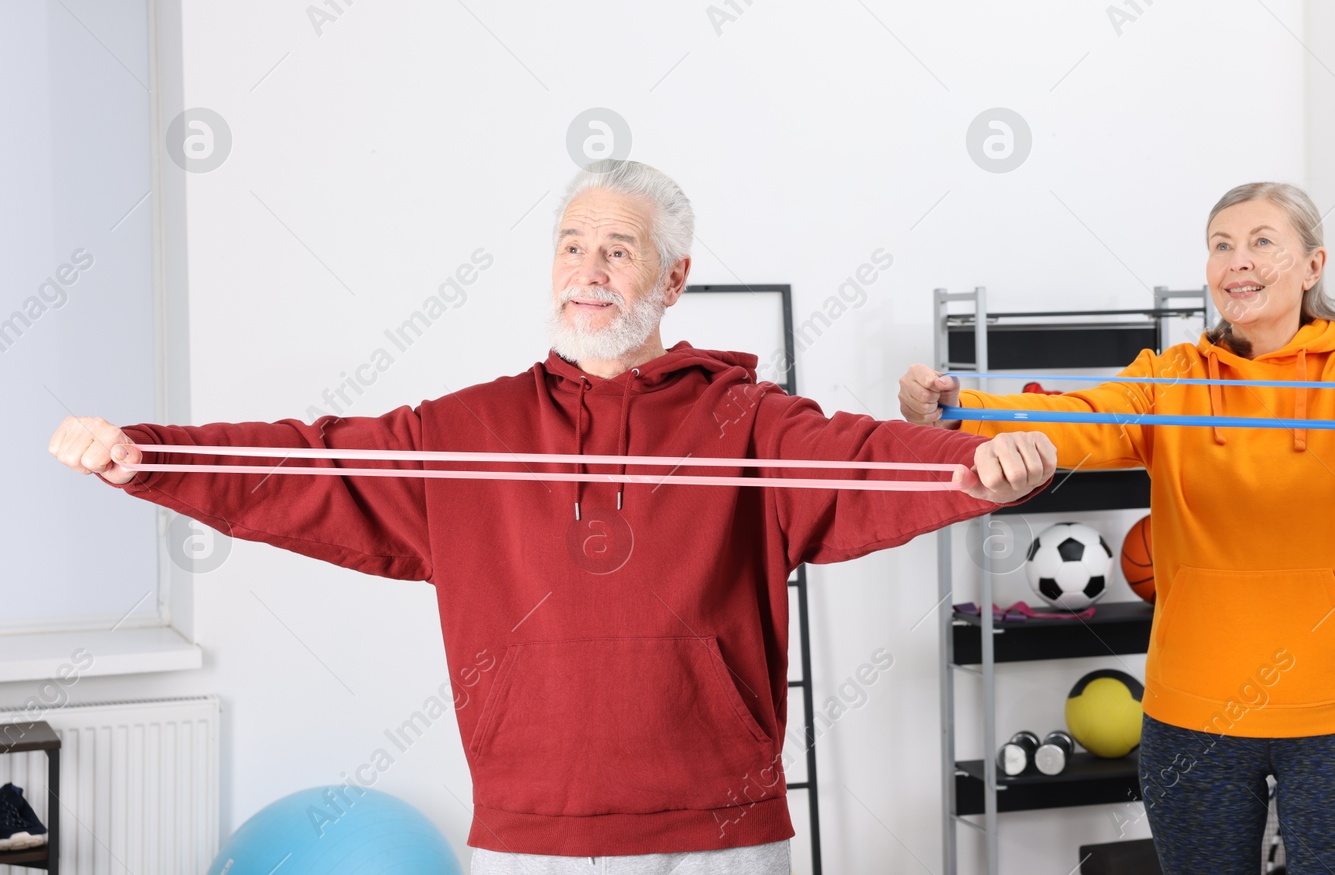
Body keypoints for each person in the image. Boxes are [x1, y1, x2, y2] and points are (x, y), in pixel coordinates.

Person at [48, 160, 1058, 875]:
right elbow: (314, 465)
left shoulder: (747, 420)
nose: (587, 267)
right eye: (571, 244)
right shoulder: (471, 428)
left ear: (671, 280)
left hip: (721, 833)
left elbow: (865, 455)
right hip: (530, 834)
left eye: (618, 249)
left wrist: (981, 464)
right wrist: (153, 458)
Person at [897, 181, 1335, 875]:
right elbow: (1076, 413)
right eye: (1221, 245)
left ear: (1312, 265)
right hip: (1192, 715)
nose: (1237, 260)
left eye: (1262, 241)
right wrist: (958, 408)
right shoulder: (1172, 380)